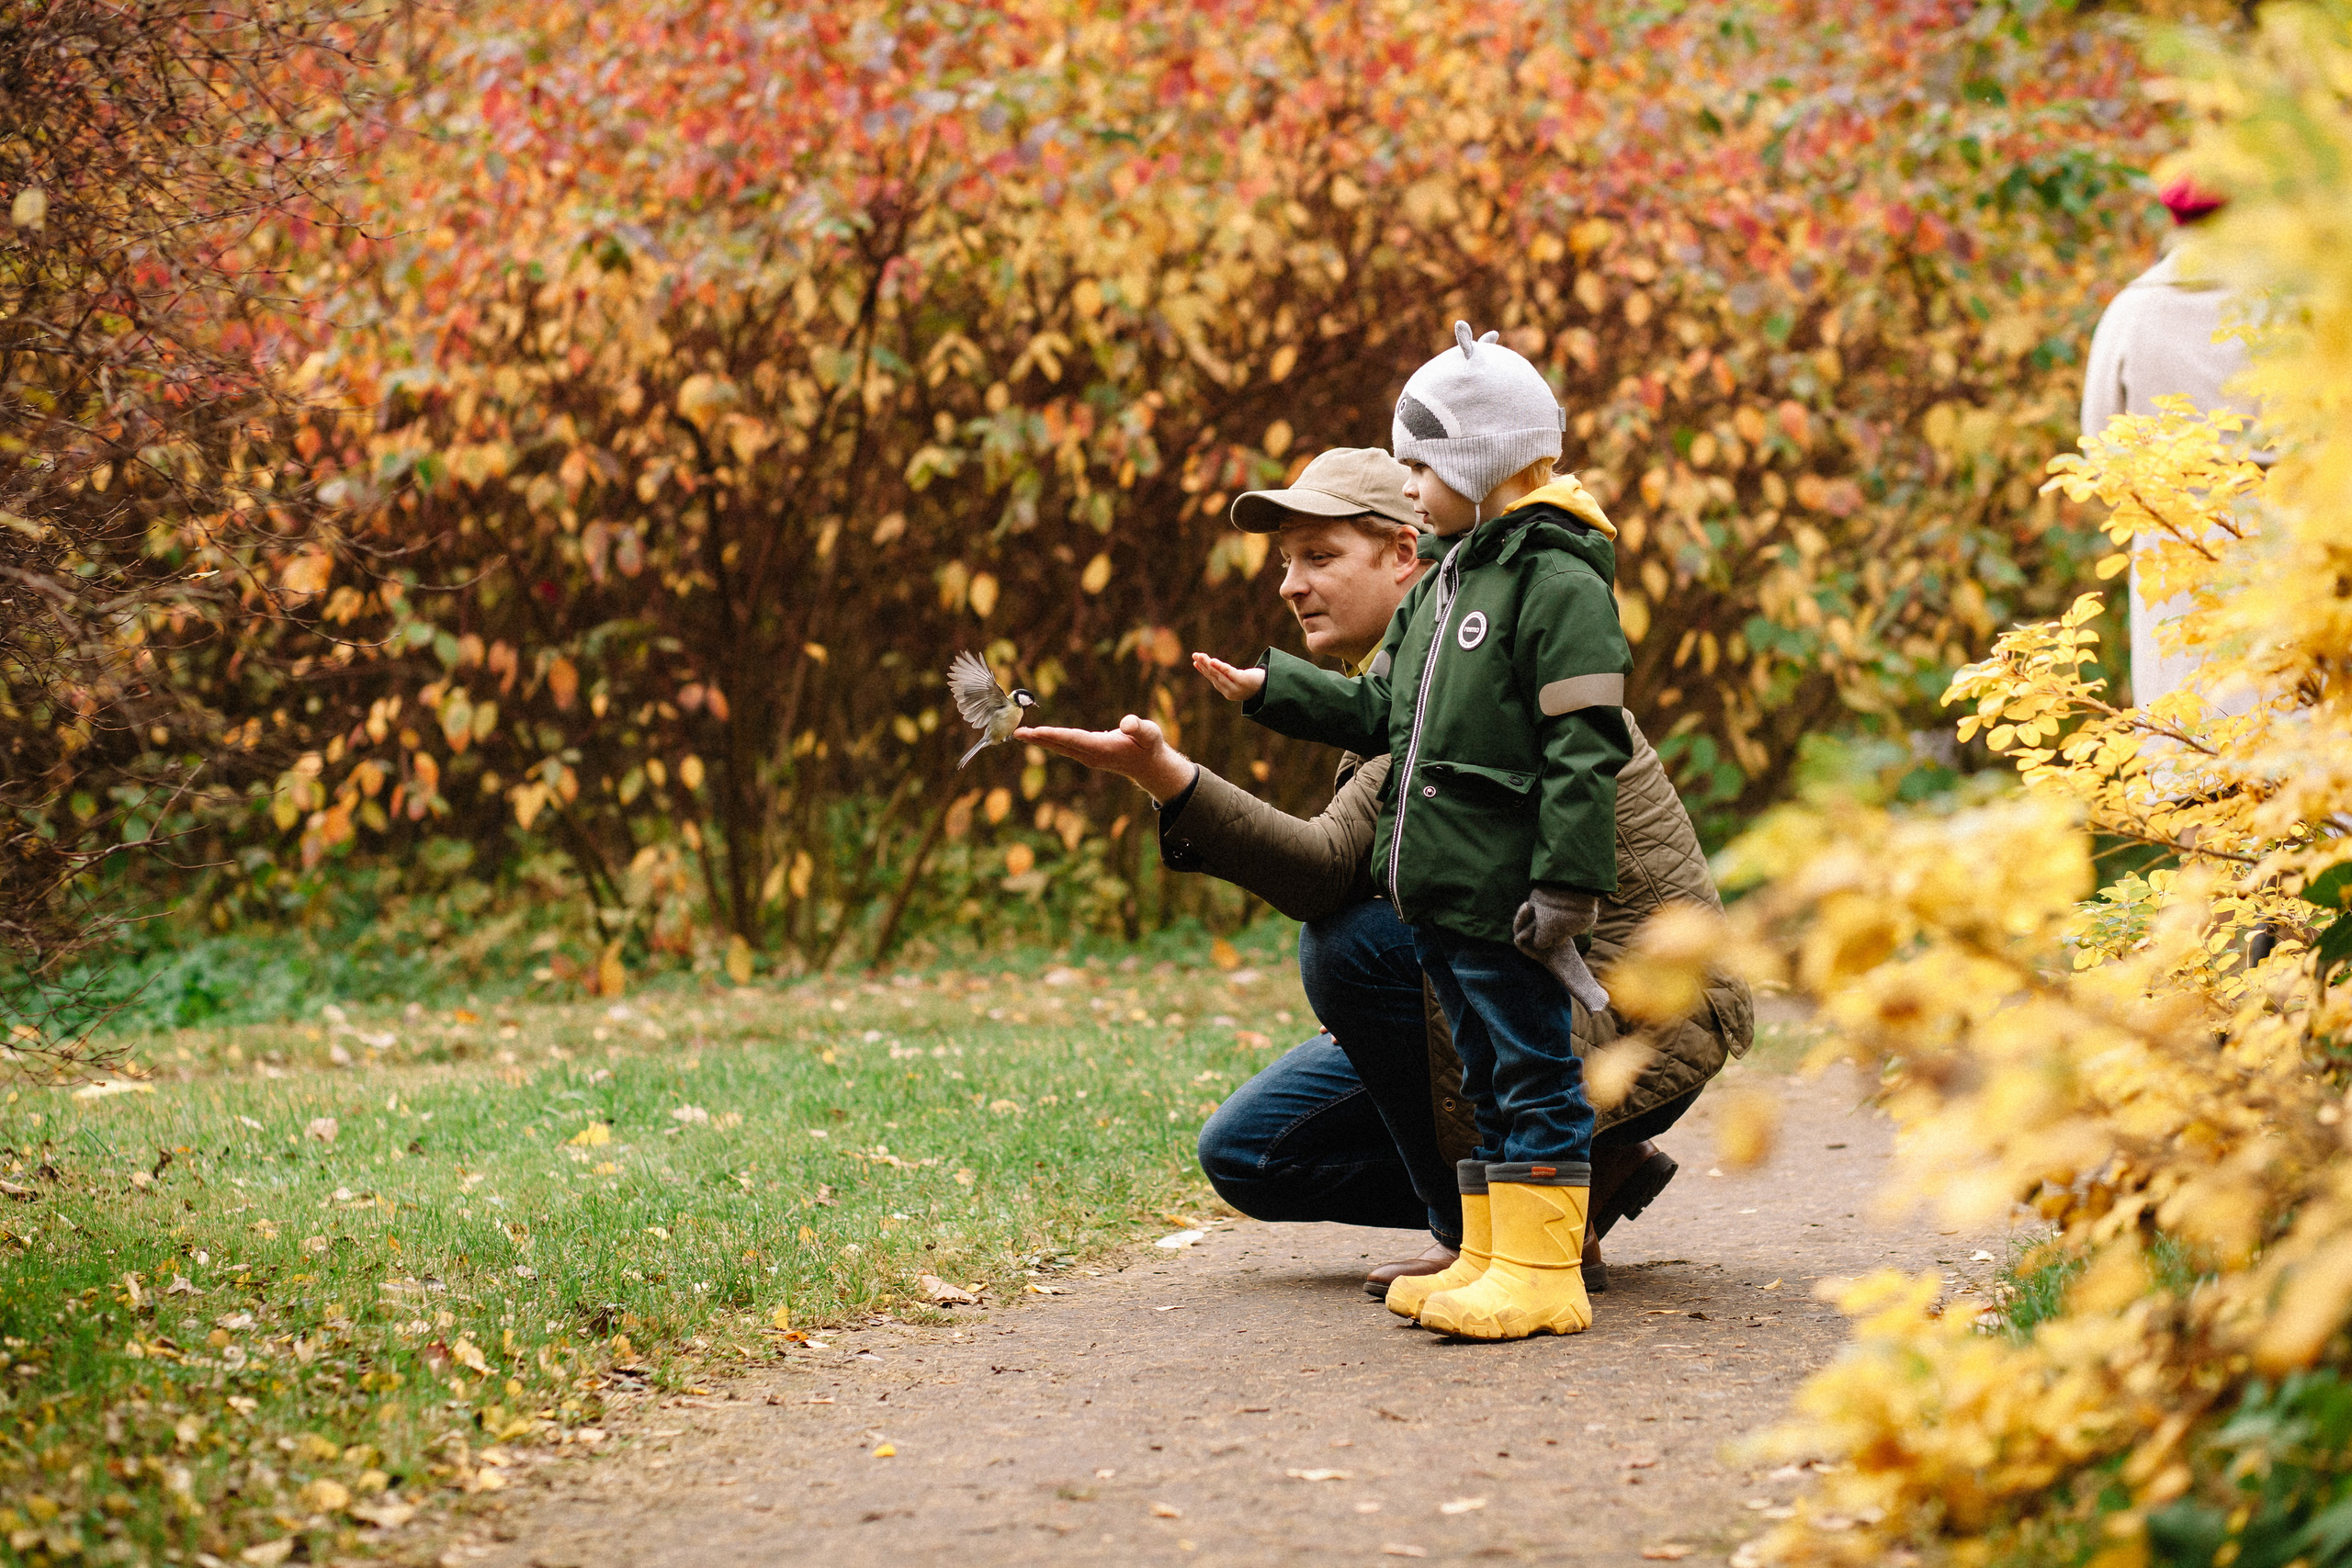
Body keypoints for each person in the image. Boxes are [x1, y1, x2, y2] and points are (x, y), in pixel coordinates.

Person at [1026, 440, 1747, 1324]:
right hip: (1512, 974)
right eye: (1288, 562)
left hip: (1622, 1009)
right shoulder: (1414, 665)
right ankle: (1573, 1189)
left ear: (1406, 553)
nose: (1290, 586)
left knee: (1350, 947)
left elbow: (1326, 869)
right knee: (1247, 1152)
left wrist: (1168, 776)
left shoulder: (1480, 667)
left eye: (1320, 557)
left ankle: (1490, 1232)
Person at [2082, 177, 2265, 714]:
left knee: (2185, 713)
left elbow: (2099, 452)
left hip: (2171, 537)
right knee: (2279, 713)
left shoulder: (2131, 313)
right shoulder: (2279, 309)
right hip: (2274, 530)